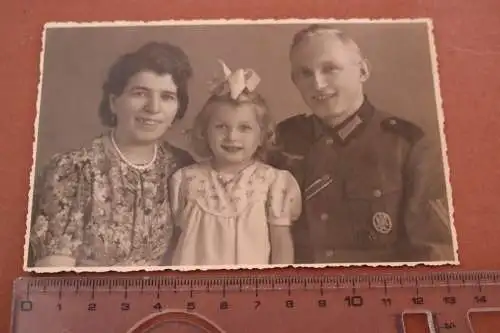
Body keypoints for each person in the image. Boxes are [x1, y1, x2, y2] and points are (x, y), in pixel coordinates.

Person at [268, 24, 455, 264]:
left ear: (363, 71)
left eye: (330, 69)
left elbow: (433, 253)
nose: (318, 84)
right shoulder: (280, 140)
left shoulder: (409, 146)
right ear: (295, 81)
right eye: (305, 73)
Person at [28, 41, 195, 268]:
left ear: (178, 108)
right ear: (114, 102)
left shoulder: (183, 168)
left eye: (167, 97)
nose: (153, 108)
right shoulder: (73, 170)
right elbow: (53, 274)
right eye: (140, 93)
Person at [168, 60, 301, 266]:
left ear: (262, 136)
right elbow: (175, 241)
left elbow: (281, 245)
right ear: (205, 132)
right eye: (221, 126)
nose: (232, 136)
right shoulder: (186, 180)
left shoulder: (273, 182)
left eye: (245, 128)